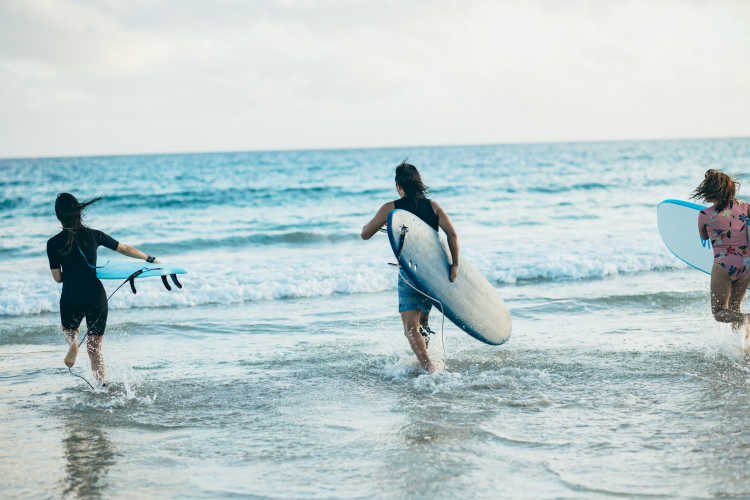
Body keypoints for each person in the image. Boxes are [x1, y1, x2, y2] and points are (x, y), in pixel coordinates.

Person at [47, 193, 159, 385]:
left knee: (68, 329)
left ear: (58, 216)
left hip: (71, 295)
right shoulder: (94, 235)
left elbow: (57, 278)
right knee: (94, 347)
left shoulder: (53, 243)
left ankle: (73, 344)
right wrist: (148, 258)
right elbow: (123, 248)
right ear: (79, 213)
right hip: (95, 295)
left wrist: (72, 274)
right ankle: (102, 386)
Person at [361, 162, 459, 373]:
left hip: (410, 275)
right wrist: (454, 266)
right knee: (422, 320)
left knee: (410, 328)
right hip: (432, 274)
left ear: (398, 186)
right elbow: (452, 234)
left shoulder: (392, 208)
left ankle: (428, 367)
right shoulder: (433, 206)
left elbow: (365, 234)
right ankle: (426, 361)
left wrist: (379, 225)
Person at [694, 169, 750, 338]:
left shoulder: (705, 215)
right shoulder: (746, 207)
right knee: (735, 307)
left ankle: (747, 319)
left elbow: (703, 236)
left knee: (719, 312)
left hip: (724, 265)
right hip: (747, 264)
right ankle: (744, 348)